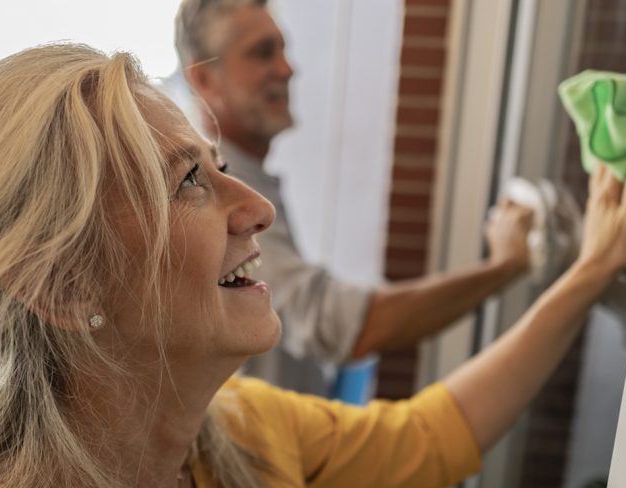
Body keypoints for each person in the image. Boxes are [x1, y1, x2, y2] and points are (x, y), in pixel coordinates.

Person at [0, 44, 626, 488]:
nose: (255, 207)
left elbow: (434, 435)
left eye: (218, 164)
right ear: (61, 285)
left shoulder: (245, 435)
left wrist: (586, 274)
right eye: (189, 182)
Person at [174, 0, 535, 394]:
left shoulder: (248, 179)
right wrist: (503, 268)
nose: (287, 68)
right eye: (263, 53)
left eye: (283, 48)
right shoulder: (221, 197)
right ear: (205, 80)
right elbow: (332, 324)